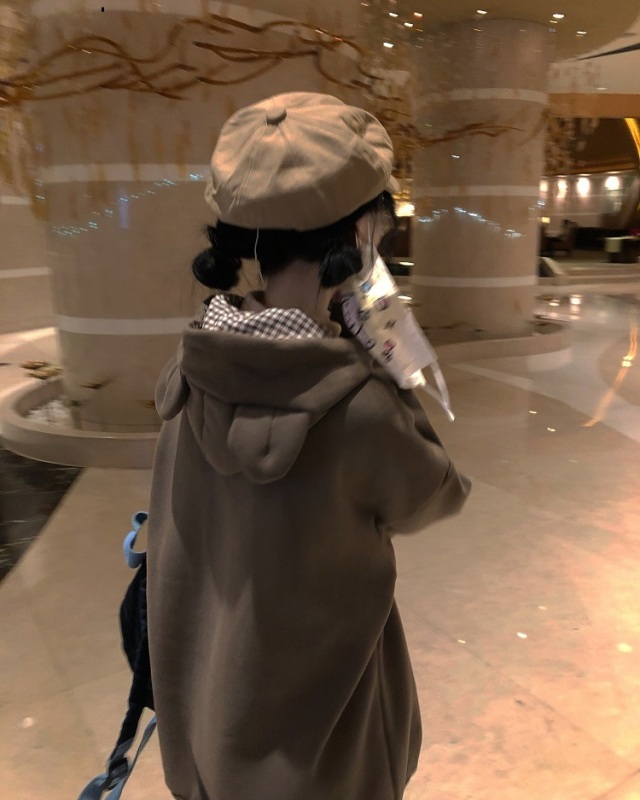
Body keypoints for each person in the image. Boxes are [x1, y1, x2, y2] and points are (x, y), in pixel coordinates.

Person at [147, 92, 471, 800]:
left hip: (208, 726)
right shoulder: (360, 405)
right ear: (359, 233)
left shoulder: (189, 372)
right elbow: (437, 495)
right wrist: (389, 363)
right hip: (323, 751)